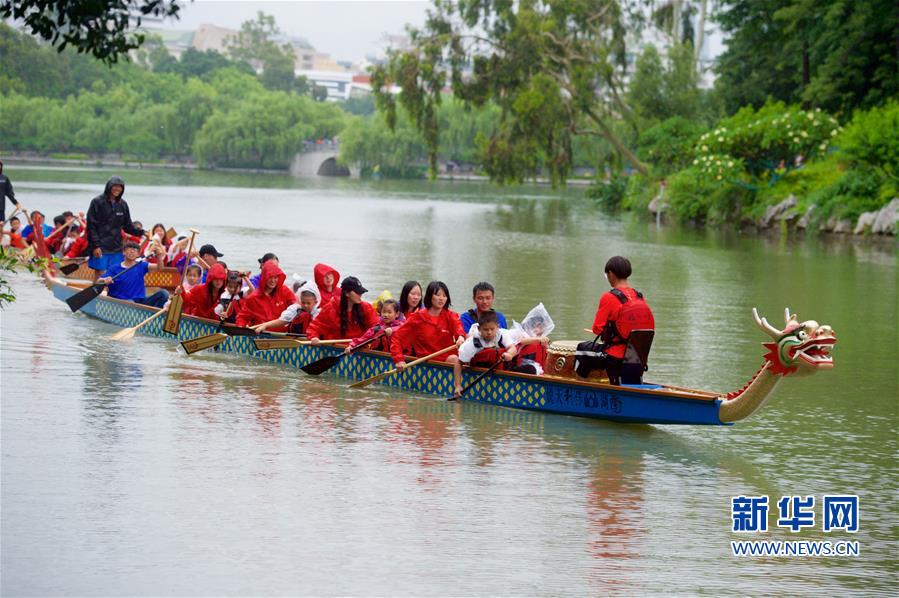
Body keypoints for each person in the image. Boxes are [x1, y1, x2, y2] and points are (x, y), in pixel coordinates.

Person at [586, 255, 655, 385]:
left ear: (611, 274)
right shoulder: (639, 296)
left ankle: (582, 389)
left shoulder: (608, 297)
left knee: (582, 351)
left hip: (615, 357)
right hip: (637, 358)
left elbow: (597, 329)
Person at [389, 281, 465, 392]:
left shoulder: (450, 315)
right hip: (428, 360)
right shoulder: (418, 317)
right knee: (454, 359)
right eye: (438, 295)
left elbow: (458, 327)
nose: (441, 299)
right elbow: (397, 338)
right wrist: (398, 360)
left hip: (449, 357)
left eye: (444, 296)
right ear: (430, 296)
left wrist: (461, 337)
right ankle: (457, 386)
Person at [86, 176, 144, 278]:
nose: (117, 189)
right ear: (109, 186)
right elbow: (91, 226)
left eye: (120, 187)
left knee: (115, 273)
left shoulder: (123, 204)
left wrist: (142, 232)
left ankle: (111, 293)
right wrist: (95, 246)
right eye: (115, 186)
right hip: (100, 245)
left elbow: (128, 226)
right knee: (100, 273)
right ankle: (96, 293)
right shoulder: (97, 202)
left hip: (116, 246)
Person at [97, 241, 168, 307]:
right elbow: (98, 281)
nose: (132, 251)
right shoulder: (114, 268)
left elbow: (160, 268)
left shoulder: (142, 265)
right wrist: (105, 280)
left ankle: (152, 315)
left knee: (164, 294)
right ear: (123, 252)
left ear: (138, 254)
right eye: (129, 249)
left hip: (140, 301)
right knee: (131, 303)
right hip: (122, 302)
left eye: (135, 250)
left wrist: (159, 256)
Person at [307, 276, 379, 343]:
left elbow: (376, 326)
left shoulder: (367, 308)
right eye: (357, 292)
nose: (360, 295)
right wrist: (314, 338)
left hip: (360, 348)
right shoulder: (330, 309)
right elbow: (315, 327)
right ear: (347, 293)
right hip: (336, 348)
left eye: (361, 292)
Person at [235, 261, 297, 329]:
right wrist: (241, 329)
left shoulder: (285, 291)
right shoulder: (254, 297)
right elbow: (242, 318)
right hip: (261, 335)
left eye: (275, 277)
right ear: (264, 277)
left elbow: (296, 307)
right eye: (270, 277)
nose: (273, 281)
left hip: (283, 335)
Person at [252, 281, 320, 335]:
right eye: (303, 302)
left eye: (308, 303)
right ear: (300, 300)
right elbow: (281, 321)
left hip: (312, 340)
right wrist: (265, 326)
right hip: (294, 339)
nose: (305, 305)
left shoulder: (318, 313)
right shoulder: (295, 310)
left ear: (315, 302)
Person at [0, 161, 20, 228]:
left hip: (1, 207)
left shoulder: (4, 178)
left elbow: (9, 193)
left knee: (1, 224)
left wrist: (16, 203)